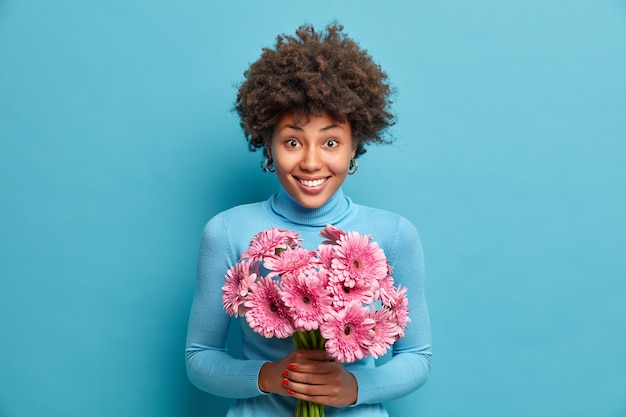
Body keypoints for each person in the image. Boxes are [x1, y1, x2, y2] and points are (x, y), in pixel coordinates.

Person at [185, 23, 431, 416]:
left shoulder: (395, 234)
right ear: (269, 144)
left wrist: (354, 386)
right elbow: (200, 358)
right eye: (293, 141)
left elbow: (417, 356)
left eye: (331, 142)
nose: (312, 162)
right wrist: (269, 376)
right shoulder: (227, 232)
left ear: (355, 146)